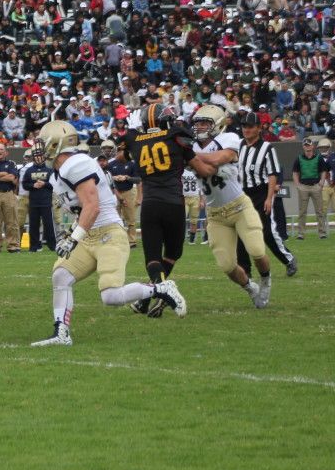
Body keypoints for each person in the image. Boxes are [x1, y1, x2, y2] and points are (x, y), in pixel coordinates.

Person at [31, 122, 186, 347]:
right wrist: (73, 232)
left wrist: (74, 238)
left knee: (110, 296)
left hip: (108, 235)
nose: (39, 148)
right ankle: (62, 333)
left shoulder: (75, 164)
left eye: (43, 142)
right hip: (88, 235)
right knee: (61, 276)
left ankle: (161, 288)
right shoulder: (57, 174)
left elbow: (92, 207)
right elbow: (82, 210)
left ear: (57, 143)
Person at [123, 103, 214, 316]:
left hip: (150, 205)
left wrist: (133, 131)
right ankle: (163, 292)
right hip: (173, 203)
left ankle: (146, 299)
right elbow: (202, 169)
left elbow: (127, 144)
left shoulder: (135, 142)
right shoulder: (176, 137)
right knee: (173, 252)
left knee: (153, 258)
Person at [190, 105, 272, 307]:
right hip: (215, 214)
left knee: (257, 251)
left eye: (204, 123)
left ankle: (266, 280)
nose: (199, 127)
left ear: (217, 125)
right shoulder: (192, 146)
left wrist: (189, 157)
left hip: (239, 206)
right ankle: (251, 288)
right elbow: (207, 167)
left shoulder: (229, 138)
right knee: (226, 265)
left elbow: (219, 159)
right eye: (197, 123)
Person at [235, 112, 297, 277]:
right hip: (243, 194)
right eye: (244, 126)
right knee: (240, 231)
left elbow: (273, 174)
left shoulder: (267, 148)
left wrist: (269, 198)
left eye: (250, 127)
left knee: (268, 232)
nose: (246, 130)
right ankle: (245, 270)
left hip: (261, 193)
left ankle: (288, 259)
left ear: (258, 128)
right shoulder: (239, 145)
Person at [22, 147, 56, 252]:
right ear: (33, 157)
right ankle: (34, 246)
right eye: (36, 156)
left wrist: (44, 184)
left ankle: (52, 245)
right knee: (33, 225)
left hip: (46, 202)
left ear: (44, 157)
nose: (38, 158)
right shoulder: (29, 171)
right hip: (33, 202)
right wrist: (33, 185)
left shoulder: (50, 170)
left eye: (40, 155)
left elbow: (54, 185)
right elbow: (24, 185)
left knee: (49, 224)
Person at [107, 141, 140, 247]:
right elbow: (105, 178)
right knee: (114, 218)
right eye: (119, 151)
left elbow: (138, 179)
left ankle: (132, 241)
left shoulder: (132, 163)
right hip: (114, 192)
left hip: (128, 191)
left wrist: (127, 177)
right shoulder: (111, 164)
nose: (119, 153)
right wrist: (114, 178)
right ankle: (116, 240)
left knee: (130, 218)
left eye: (122, 151)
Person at [181, 167, 205, 244]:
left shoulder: (196, 171)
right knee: (180, 219)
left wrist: (201, 200)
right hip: (184, 197)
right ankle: (179, 238)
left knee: (194, 221)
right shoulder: (181, 171)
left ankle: (191, 240)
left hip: (195, 197)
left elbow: (201, 186)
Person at [17, 148, 33, 241]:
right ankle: (19, 242)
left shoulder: (36, 168)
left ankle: (33, 242)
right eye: (27, 157)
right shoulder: (20, 168)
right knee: (19, 222)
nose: (28, 159)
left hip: (33, 197)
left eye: (30, 157)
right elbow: (16, 183)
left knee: (34, 222)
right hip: (22, 197)